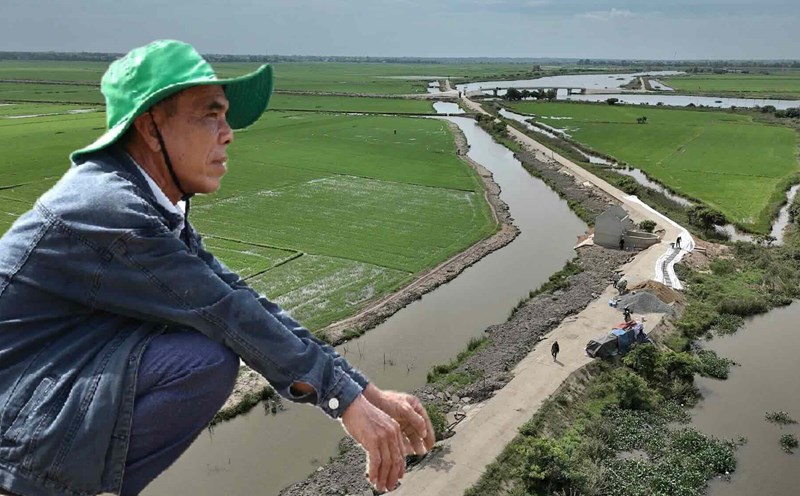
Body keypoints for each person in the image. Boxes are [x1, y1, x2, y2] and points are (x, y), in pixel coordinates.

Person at [0, 40, 433, 496]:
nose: (227, 133)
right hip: (18, 398)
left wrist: (363, 392)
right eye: (210, 115)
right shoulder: (112, 211)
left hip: (41, 382)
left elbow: (242, 299)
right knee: (202, 362)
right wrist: (345, 403)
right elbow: (227, 313)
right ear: (150, 128)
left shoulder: (145, 204)